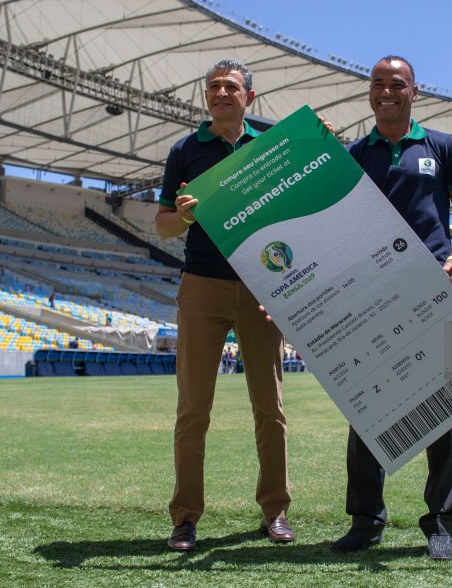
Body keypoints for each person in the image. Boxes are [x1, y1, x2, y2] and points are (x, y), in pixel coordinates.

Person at [333, 55, 452, 561]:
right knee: (367, 408)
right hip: (371, 291)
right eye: (378, 84)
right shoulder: (353, 155)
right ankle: (365, 520)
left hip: (431, 290)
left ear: (414, 91)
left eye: (397, 84)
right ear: (369, 93)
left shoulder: (443, 147)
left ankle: (441, 526)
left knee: (442, 412)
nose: (386, 91)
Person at [155, 59, 294, 552]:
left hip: (261, 287)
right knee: (193, 409)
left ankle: (275, 510)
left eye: (231, 86)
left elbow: (296, 207)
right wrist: (186, 218)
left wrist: (321, 139)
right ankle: (185, 517)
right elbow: (162, 225)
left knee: (270, 409)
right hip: (203, 284)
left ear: (248, 97)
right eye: (213, 86)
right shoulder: (185, 150)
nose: (220, 93)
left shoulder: (270, 148)